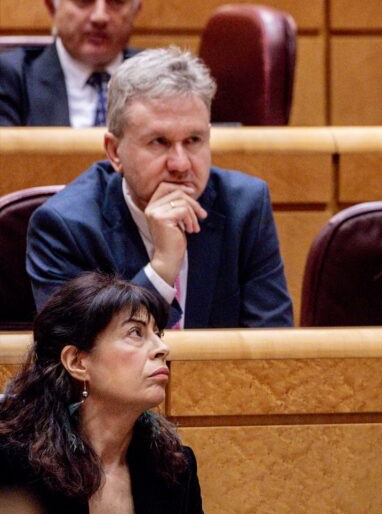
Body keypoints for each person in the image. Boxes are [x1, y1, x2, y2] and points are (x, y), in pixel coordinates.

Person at [26, 46, 294, 328]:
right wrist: (162, 268)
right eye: (159, 142)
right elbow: (77, 354)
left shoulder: (245, 207)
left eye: (193, 140)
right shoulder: (66, 227)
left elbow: (273, 350)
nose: (181, 164)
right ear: (115, 152)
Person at [0, 273, 217, 514]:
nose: (162, 348)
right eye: (135, 333)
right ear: (77, 361)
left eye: (157, 333)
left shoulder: (174, 467)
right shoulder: (13, 465)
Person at [0, 0, 142, 126]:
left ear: (136, 9)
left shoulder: (165, 81)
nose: (99, 17)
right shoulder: (12, 81)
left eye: (115, 0)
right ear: (52, 6)